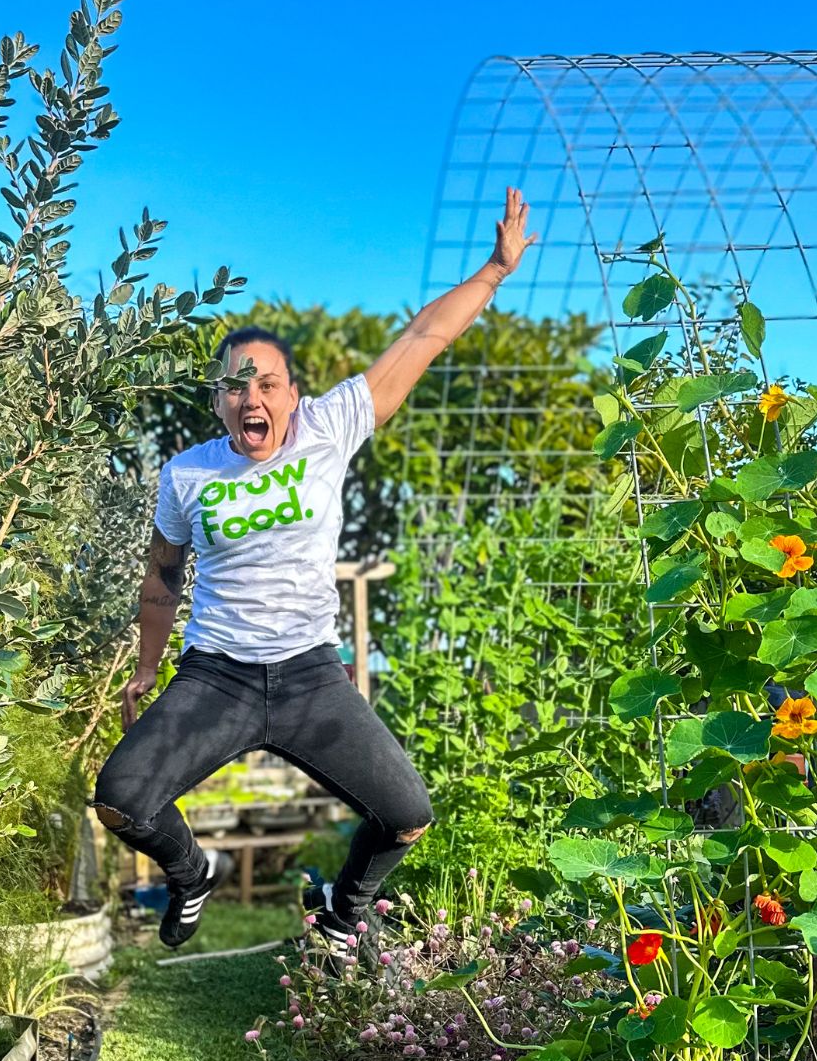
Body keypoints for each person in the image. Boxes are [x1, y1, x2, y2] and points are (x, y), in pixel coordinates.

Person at [92, 188, 537, 955]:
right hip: (217, 677)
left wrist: (494, 271)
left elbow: (423, 336)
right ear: (219, 401)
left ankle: (342, 913)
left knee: (407, 816)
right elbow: (162, 579)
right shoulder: (187, 475)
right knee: (121, 799)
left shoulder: (330, 427)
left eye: (267, 383)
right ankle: (193, 873)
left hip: (309, 677)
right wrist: (146, 668)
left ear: (293, 395)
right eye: (236, 385)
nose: (252, 397)